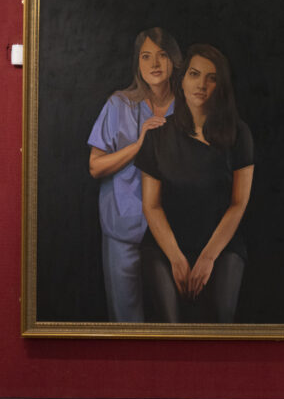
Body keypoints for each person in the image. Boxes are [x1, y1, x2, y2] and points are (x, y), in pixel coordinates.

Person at [135, 44, 255, 323]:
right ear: (182, 80)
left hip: (220, 245)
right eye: (194, 74)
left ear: (221, 85)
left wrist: (208, 258)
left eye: (211, 77)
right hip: (166, 246)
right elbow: (151, 206)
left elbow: (239, 203)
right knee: (168, 324)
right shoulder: (158, 137)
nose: (201, 84)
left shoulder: (239, 134)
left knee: (221, 319)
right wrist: (176, 258)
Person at [87, 27, 183, 322]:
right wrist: (139, 146)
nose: (154, 64)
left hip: (174, 228)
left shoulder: (187, 106)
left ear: (175, 60)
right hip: (123, 226)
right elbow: (95, 166)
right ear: (137, 63)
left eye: (162, 55)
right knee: (127, 319)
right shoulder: (119, 104)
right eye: (146, 56)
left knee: (175, 318)